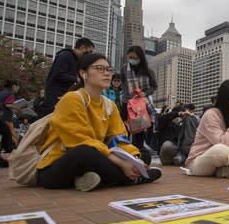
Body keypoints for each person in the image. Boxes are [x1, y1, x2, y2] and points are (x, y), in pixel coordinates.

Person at [35, 53, 161, 191]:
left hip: (96, 156)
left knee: (143, 155)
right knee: (84, 152)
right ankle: (134, 178)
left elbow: (119, 139)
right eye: (100, 69)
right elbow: (80, 140)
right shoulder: (71, 99)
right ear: (83, 73)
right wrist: (121, 163)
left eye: (108, 69)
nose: (106, 74)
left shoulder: (109, 105)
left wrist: (135, 159)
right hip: (56, 167)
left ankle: (94, 179)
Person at [44, 37, 95, 114]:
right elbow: (58, 74)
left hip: (65, 94)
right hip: (55, 95)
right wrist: (76, 79)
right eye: (89, 52)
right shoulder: (65, 55)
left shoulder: (77, 61)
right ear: (82, 48)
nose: (90, 55)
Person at [121, 46, 157, 152]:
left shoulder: (148, 71)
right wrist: (129, 100)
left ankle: (137, 152)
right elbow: (123, 85)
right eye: (130, 57)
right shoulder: (124, 69)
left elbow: (154, 87)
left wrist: (144, 93)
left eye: (134, 57)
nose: (132, 60)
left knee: (139, 129)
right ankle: (123, 151)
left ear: (140, 57)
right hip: (127, 102)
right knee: (124, 127)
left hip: (142, 104)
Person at [0, 79, 21, 146]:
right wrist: (18, 108)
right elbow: (8, 104)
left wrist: (13, 110)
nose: (18, 89)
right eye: (18, 87)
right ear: (14, 86)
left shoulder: (1, 93)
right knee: (11, 134)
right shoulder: (10, 93)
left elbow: (4, 105)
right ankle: (16, 149)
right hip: (6, 118)